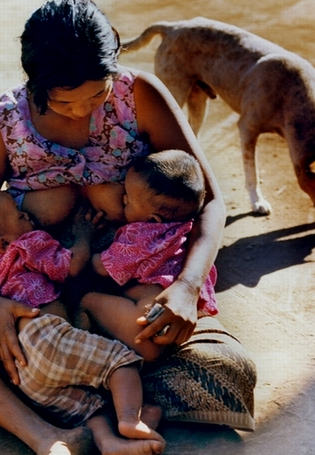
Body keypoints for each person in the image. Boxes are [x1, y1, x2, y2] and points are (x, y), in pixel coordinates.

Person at [0, 0, 257, 455]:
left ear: (114, 61)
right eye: (62, 100)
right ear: (34, 81)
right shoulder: (2, 122)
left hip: (128, 296)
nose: (79, 111)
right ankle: (51, 436)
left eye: (96, 95)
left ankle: (90, 399)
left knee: (229, 372)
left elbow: (210, 200)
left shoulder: (142, 96)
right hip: (35, 306)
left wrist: (188, 286)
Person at [0, 185, 166, 455]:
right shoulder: (28, 244)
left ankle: (108, 443)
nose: (28, 217)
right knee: (121, 363)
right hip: (47, 337)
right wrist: (83, 237)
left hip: (25, 370)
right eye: (20, 215)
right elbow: (70, 266)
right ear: (3, 243)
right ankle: (130, 420)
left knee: (88, 408)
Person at [81, 149, 219, 362]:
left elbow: (102, 266)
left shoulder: (142, 235)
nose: (123, 200)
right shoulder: (187, 232)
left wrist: (85, 238)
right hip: (180, 320)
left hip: (145, 321)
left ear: (153, 219)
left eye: (128, 202)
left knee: (86, 301)